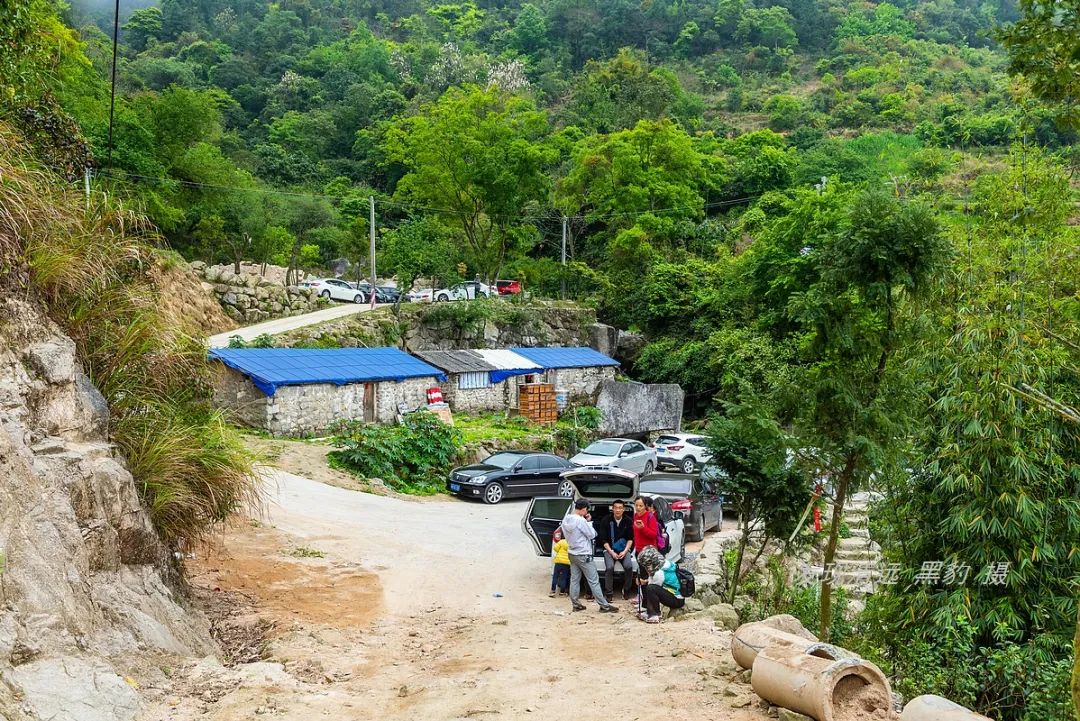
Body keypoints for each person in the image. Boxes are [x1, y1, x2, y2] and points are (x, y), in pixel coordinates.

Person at [560, 499, 619, 613]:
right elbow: (592, 534)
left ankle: (576, 604)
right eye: (586, 509)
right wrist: (589, 522)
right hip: (583, 553)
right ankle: (604, 605)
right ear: (583, 509)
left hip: (572, 552)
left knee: (575, 579)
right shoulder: (581, 521)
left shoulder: (566, 519)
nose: (587, 512)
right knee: (593, 580)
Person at [636, 545, 684, 623]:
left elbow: (653, 588)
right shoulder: (663, 564)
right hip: (674, 594)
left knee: (651, 589)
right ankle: (647, 611)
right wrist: (645, 581)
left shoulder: (659, 573)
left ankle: (655, 614)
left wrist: (645, 582)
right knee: (650, 587)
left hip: (676, 599)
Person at [599, 500, 635, 599]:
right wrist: (612, 552)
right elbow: (603, 540)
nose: (618, 510)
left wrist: (625, 551)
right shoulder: (606, 520)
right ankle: (609, 593)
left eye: (620, 508)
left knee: (628, 567)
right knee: (609, 567)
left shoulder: (628, 521)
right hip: (609, 549)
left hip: (624, 549)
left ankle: (626, 590)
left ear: (623, 509)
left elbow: (630, 539)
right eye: (616, 508)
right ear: (612, 509)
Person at [550, 528, 570, 597]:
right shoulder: (571, 543)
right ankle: (562, 592)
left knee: (555, 576)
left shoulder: (561, 542)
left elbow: (555, 548)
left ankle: (552, 591)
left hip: (558, 562)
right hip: (566, 563)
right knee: (564, 578)